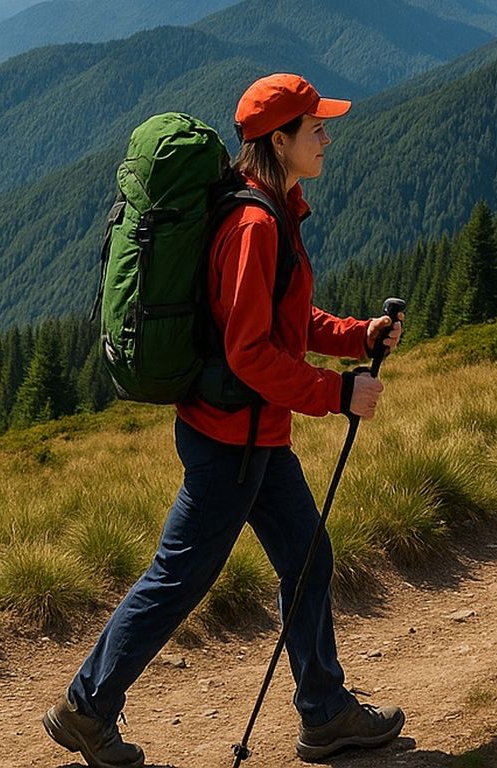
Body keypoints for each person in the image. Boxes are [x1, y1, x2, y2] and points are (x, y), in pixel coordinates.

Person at [45, 73, 406, 768]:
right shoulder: (254, 225)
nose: (328, 138)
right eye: (316, 128)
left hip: (253, 439)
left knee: (307, 558)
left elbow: (284, 320)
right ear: (280, 139)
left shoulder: (272, 208)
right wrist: (336, 395)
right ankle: (85, 708)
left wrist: (356, 335)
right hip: (230, 443)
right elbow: (248, 354)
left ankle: (325, 715)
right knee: (178, 579)